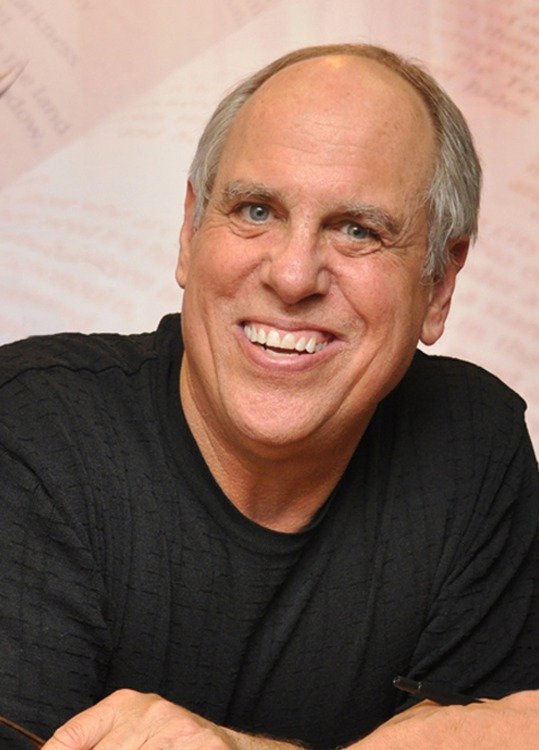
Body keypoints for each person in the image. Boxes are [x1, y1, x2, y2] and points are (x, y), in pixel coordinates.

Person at [0, 43, 537, 750]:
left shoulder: (474, 443)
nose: (292, 276)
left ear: (438, 285)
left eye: (358, 230)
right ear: (191, 231)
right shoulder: (30, 431)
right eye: (255, 210)